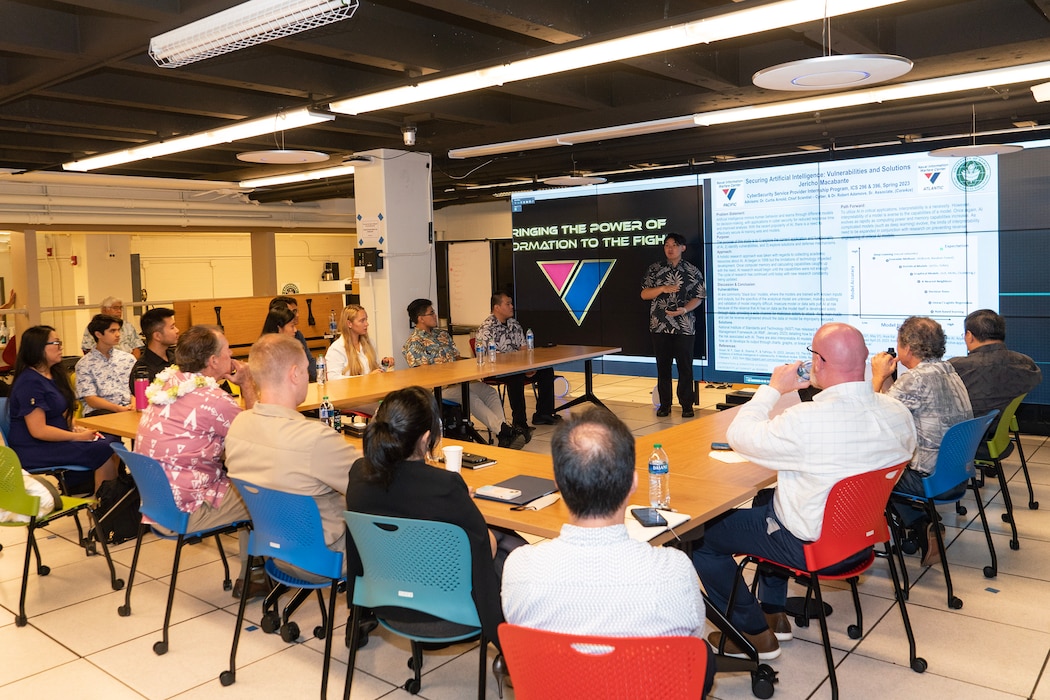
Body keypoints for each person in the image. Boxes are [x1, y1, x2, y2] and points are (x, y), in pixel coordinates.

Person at [691, 323, 916, 660]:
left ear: (820, 363)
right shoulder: (898, 413)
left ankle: (752, 635)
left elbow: (740, 435)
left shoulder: (806, 420)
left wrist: (772, 390)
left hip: (808, 546)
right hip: (860, 539)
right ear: (866, 361)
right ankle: (774, 612)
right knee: (769, 498)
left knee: (699, 539)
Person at [501, 407, 713, 694]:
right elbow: (692, 641)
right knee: (705, 658)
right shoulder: (674, 570)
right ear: (633, 484)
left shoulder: (519, 568)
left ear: (558, 487)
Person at [345, 386, 522, 650]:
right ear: (426, 438)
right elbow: (483, 552)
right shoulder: (445, 486)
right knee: (510, 546)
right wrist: (467, 510)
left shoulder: (359, 473)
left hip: (387, 605)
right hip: (452, 614)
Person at [136, 324, 260, 597]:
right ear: (214, 361)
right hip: (184, 511)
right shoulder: (213, 399)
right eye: (228, 352)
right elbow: (256, 437)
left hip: (157, 504)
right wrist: (247, 384)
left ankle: (258, 573)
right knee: (261, 493)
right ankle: (257, 577)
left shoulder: (166, 383)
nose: (233, 357)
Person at [225, 333, 360, 575]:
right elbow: (371, 486)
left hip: (274, 551)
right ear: (295, 374)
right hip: (328, 556)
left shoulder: (237, 426)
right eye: (307, 371)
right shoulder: (315, 438)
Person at [872, 316, 973, 566]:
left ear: (907, 347)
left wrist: (877, 376)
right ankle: (922, 524)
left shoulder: (916, 379)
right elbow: (896, 406)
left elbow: (870, 419)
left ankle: (919, 523)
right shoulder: (949, 371)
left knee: (873, 472)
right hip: (956, 475)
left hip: (930, 481)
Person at [7, 326, 120, 493]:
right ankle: (104, 507)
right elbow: (38, 430)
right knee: (103, 448)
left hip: (56, 439)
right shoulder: (29, 382)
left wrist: (74, 426)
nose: (61, 347)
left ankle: (105, 500)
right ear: (38, 348)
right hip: (35, 448)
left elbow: (61, 410)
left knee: (110, 439)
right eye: (56, 343)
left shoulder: (52, 375)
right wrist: (77, 437)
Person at [403, 298, 524, 449]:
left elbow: (458, 359)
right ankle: (504, 431)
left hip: (459, 381)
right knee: (470, 397)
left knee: (489, 392)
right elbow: (424, 373)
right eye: (431, 313)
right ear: (420, 318)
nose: (435, 316)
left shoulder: (443, 335)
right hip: (439, 389)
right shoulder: (414, 343)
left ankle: (502, 433)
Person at [640, 233, 706, 418]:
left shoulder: (692, 271)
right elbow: (644, 294)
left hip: (684, 326)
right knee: (663, 366)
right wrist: (662, 288)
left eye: (674, 245)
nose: (670, 248)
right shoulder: (655, 269)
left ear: (682, 248)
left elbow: (699, 297)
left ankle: (687, 405)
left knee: (685, 367)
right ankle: (665, 405)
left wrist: (684, 310)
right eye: (667, 245)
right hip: (659, 326)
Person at [948, 309, 1042, 434]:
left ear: (969, 336)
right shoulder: (1026, 363)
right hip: (996, 435)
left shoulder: (955, 367)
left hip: (963, 438)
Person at [475, 292, 558, 433]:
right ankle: (519, 423)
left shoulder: (514, 324)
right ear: (497, 307)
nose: (512, 306)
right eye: (507, 304)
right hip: (498, 370)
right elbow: (493, 358)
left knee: (546, 370)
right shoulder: (486, 329)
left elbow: (524, 349)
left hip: (519, 368)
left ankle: (543, 414)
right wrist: (520, 368)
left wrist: (530, 366)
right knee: (516, 377)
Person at [75, 314, 136, 416]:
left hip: (130, 408)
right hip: (100, 412)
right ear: (98, 334)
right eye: (112, 331)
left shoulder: (128, 359)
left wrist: (134, 404)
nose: (118, 334)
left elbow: (136, 389)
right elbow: (91, 399)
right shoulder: (84, 364)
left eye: (118, 330)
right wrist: (118, 409)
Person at [324, 304, 393, 381]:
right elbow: (333, 379)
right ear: (349, 324)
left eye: (366, 319)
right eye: (362, 321)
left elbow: (376, 371)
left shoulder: (370, 343)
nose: (367, 324)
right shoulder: (337, 349)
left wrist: (384, 364)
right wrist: (367, 377)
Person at [127, 307, 179, 393]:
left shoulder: (177, 358)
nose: (177, 330)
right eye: (172, 327)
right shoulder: (142, 370)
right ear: (157, 336)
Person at [269, 296, 316, 382]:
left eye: (297, 311)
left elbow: (309, 362)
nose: (297, 315)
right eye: (293, 311)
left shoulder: (297, 335)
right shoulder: (268, 346)